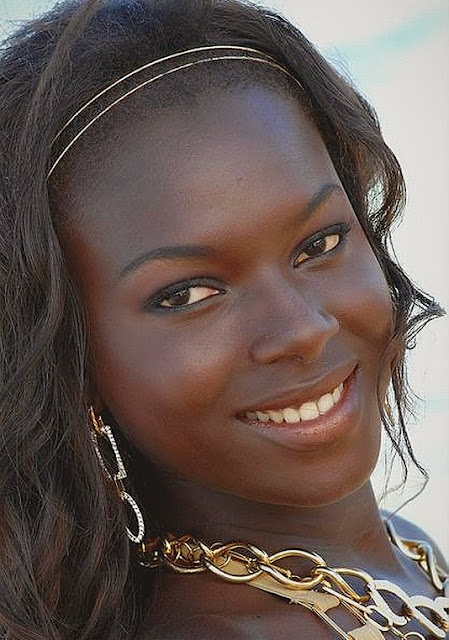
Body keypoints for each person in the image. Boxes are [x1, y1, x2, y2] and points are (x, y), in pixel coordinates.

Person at [0, 0, 447, 638]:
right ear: (73, 356)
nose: (302, 329)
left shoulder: (401, 559)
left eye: (318, 245)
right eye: (188, 295)